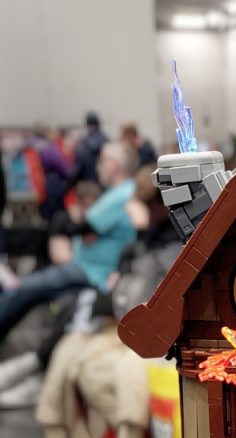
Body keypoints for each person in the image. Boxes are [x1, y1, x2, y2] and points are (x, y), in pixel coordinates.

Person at [0, 141, 137, 344]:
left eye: (101, 161)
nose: (98, 166)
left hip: (91, 271)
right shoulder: (124, 192)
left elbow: (82, 227)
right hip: (89, 270)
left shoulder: (121, 194)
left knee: (20, 288)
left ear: (113, 165)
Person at [70, 112, 108, 184]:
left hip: (88, 184)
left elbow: (78, 169)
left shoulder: (83, 145)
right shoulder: (107, 141)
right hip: (105, 184)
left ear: (87, 125)